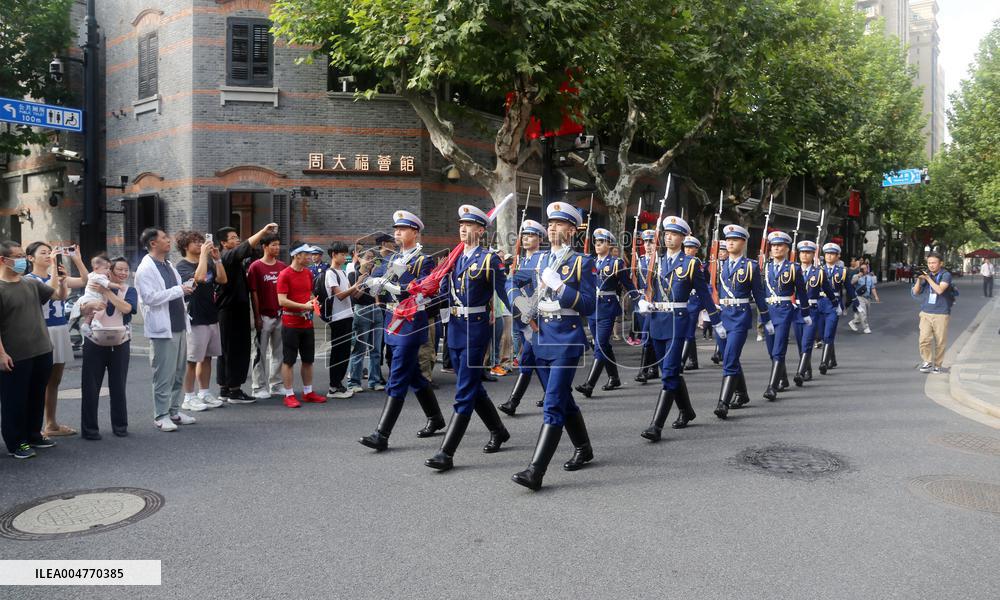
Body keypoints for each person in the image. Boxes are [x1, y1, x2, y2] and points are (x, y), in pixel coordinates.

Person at [511, 202, 597, 490]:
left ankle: (535, 471)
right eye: (550, 223)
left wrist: (561, 287)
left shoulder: (582, 262)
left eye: (559, 224)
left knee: (552, 404)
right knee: (561, 398)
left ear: (572, 230)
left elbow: (589, 304)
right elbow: (511, 282)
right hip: (540, 338)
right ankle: (584, 448)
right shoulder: (538, 260)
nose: (552, 228)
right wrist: (523, 307)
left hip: (566, 340)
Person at [424, 204, 510, 471]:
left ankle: (446, 452)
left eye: (469, 225)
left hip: (475, 329)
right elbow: (446, 293)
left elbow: (506, 292)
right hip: (455, 328)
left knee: (464, 392)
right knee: (472, 386)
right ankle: (499, 430)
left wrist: (526, 315)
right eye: (461, 224)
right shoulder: (455, 258)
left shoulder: (489, 259)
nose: (463, 228)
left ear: (481, 230)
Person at [359, 210, 446, 450]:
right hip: (391, 318)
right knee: (414, 376)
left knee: (397, 376)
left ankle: (382, 434)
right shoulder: (388, 258)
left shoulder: (423, 260)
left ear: (415, 232)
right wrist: (373, 282)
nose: (397, 232)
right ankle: (436, 418)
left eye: (403, 229)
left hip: (410, 322)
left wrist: (397, 284)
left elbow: (426, 289)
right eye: (396, 229)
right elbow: (370, 280)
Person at [636, 216, 722, 440]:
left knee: (670, 371)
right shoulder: (655, 261)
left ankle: (656, 426)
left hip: (677, 321)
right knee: (669, 371)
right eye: (666, 233)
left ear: (683, 238)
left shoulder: (691, 263)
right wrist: (642, 301)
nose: (669, 237)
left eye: (674, 234)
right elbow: (646, 288)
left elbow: (704, 294)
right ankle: (686, 410)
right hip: (657, 321)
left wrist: (715, 319)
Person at [0, 240, 62, 458]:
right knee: (14, 399)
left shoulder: (30, 283)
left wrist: (56, 269)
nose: (21, 260)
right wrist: (2, 353)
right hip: (16, 354)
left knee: (36, 395)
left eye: (21, 255)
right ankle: (16, 442)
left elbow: (55, 294)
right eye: (16, 256)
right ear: (3, 260)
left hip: (42, 349)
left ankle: (33, 435)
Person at [134, 228, 196, 431]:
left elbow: (175, 290)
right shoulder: (146, 269)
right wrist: (179, 289)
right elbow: (150, 298)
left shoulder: (168, 264)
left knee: (178, 372)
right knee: (164, 374)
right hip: (162, 328)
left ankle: (174, 411)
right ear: (153, 243)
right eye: (164, 238)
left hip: (178, 324)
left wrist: (184, 287)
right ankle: (161, 415)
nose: (168, 240)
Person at [25, 242, 88, 438]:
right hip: (42, 330)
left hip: (60, 328)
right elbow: (50, 293)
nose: (48, 255)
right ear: (30, 258)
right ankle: (31, 427)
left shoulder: (58, 275)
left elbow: (85, 280)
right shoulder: (28, 280)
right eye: (43, 253)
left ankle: (51, 423)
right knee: (37, 380)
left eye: (49, 252)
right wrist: (55, 270)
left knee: (54, 380)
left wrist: (76, 258)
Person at [215, 223, 278, 403]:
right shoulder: (226, 256)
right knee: (236, 350)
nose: (237, 240)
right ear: (223, 243)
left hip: (230, 311)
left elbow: (251, 251)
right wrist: (263, 231)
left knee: (226, 351)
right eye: (233, 238)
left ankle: (225, 388)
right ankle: (234, 390)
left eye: (237, 237)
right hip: (231, 311)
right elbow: (245, 248)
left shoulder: (229, 258)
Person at [712, 225, 770, 418]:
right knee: (730, 358)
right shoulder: (718, 265)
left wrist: (766, 319)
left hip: (739, 317)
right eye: (727, 240)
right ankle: (742, 394)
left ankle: (723, 402)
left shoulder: (750, 266)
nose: (729, 243)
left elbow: (759, 295)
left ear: (743, 242)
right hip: (722, 317)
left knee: (729, 359)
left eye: (734, 240)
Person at [79, 256, 137, 440]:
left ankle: (120, 426)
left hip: (120, 343)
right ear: (109, 271)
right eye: (119, 269)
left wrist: (108, 291)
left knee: (118, 386)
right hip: (94, 342)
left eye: (126, 270)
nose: (123, 273)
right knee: (90, 387)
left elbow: (127, 308)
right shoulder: (94, 285)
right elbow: (83, 307)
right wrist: (91, 303)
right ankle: (90, 430)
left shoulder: (129, 290)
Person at [576, 228, 637, 398]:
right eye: (596, 242)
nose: (598, 245)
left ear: (609, 244)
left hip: (607, 308)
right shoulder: (590, 262)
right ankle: (614, 377)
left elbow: (628, 284)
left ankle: (589, 384)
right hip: (592, 309)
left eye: (601, 242)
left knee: (600, 346)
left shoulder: (616, 263)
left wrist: (638, 301)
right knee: (603, 346)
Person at [499, 219, 547, 416]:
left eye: (531, 235)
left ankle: (515, 401)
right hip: (524, 317)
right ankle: (550, 394)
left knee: (534, 360)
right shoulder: (521, 260)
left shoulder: (543, 258)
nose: (527, 239)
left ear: (540, 238)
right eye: (524, 235)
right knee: (530, 360)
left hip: (539, 318)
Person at [175, 231, 227, 412]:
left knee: (207, 357)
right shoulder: (181, 266)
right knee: (192, 359)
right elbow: (197, 278)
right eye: (195, 242)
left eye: (200, 241)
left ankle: (204, 393)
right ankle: (188, 397)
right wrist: (204, 257)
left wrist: (217, 259)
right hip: (195, 317)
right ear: (185, 247)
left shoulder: (208, 262)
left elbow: (222, 279)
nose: (199, 244)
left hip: (211, 315)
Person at [760, 231, 811, 401]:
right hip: (768, 310)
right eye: (773, 246)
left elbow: (802, 293)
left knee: (778, 349)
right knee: (770, 349)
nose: (776, 248)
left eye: (779, 245)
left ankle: (771, 387)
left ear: (787, 248)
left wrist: (805, 312)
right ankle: (783, 378)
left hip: (784, 310)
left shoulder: (793, 268)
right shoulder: (765, 267)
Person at [276, 243, 328, 407]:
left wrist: (312, 301)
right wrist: (304, 306)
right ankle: (289, 394)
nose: (309, 257)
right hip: (290, 322)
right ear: (296, 256)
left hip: (307, 322)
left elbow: (309, 293)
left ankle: (308, 392)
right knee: (289, 360)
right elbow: (281, 300)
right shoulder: (285, 274)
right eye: (306, 255)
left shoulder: (307, 273)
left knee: (308, 360)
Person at [791, 240, 837, 386]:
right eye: (802, 252)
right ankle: (807, 369)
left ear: (813, 255)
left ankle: (800, 372)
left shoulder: (819, 272)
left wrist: (836, 304)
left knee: (807, 341)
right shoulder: (792, 270)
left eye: (808, 252)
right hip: (796, 310)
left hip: (812, 310)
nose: (805, 255)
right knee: (800, 343)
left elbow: (828, 290)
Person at [247, 233, 286, 399]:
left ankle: (276, 384)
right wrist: (256, 317)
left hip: (280, 315)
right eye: (273, 245)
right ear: (264, 247)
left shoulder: (283, 266)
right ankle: (258, 386)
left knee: (278, 352)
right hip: (263, 316)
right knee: (259, 353)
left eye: (278, 244)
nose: (277, 248)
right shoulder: (255, 267)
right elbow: (253, 294)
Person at [324, 242, 363, 398]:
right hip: (337, 318)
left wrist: (364, 285)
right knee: (338, 352)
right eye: (342, 254)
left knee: (345, 352)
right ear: (334, 254)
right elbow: (340, 295)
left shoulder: (342, 272)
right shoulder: (330, 273)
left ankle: (338, 384)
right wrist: (357, 284)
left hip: (347, 316)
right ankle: (333, 387)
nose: (345, 257)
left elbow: (353, 295)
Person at [815, 243, 857, 374]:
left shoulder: (842, 271)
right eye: (827, 254)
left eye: (832, 254)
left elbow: (849, 289)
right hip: (819, 303)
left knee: (829, 333)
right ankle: (832, 359)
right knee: (822, 334)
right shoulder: (817, 269)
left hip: (834, 304)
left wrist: (856, 303)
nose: (829, 256)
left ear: (838, 256)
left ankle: (824, 362)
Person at [345, 249, 384, 392]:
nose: (371, 261)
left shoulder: (374, 274)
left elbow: (378, 293)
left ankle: (375, 381)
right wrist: (363, 282)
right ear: (359, 258)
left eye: (373, 258)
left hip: (376, 311)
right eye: (368, 257)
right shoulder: (352, 275)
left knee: (377, 350)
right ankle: (354, 382)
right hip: (361, 311)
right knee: (359, 349)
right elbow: (355, 296)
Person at [912, 252, 954, 374]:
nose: (931, 265)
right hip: (925, 312)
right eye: (929, 263)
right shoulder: (926, 275)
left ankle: (938, 364)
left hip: (941, 313)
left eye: (934, 263)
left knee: (940, 341)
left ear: (940, 263)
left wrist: (928, 279)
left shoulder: (946, 275)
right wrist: (919, 280)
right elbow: (915, 292)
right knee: (924, 339)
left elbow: (940, 290)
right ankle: (927, 361)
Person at [634, 229, 660, 383]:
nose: (648, 245)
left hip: (656, 304)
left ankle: (643, 371)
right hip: (643, 303)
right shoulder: (640, 261)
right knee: (648, 337)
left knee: (647, 336)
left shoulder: (660, 261)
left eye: (651, 242)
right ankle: (654, 369)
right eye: (646, 242)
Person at [680, 235, 704, 371]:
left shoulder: (696, 263)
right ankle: (693, 360)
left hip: (694, 300)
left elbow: (704, 283)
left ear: (696, 250)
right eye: (686, 247)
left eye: (691, 248)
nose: (688, 250)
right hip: (683, 301)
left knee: (688, 331)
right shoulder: (680, 261)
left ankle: (681, 362)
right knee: (686, 332)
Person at [849, 262, 880, 334]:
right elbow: (851, 283)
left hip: (868, 298)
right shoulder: (856, 276)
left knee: (864, 313)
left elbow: (872, 288)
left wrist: (876, 296)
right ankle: (866, 328)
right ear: (860, 269)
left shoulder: (870, 277)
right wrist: (859, 276)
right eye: (862, 268)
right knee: (863, 313)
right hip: (859, 297)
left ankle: (853, 322)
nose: (864, 269)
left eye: (865, 268)